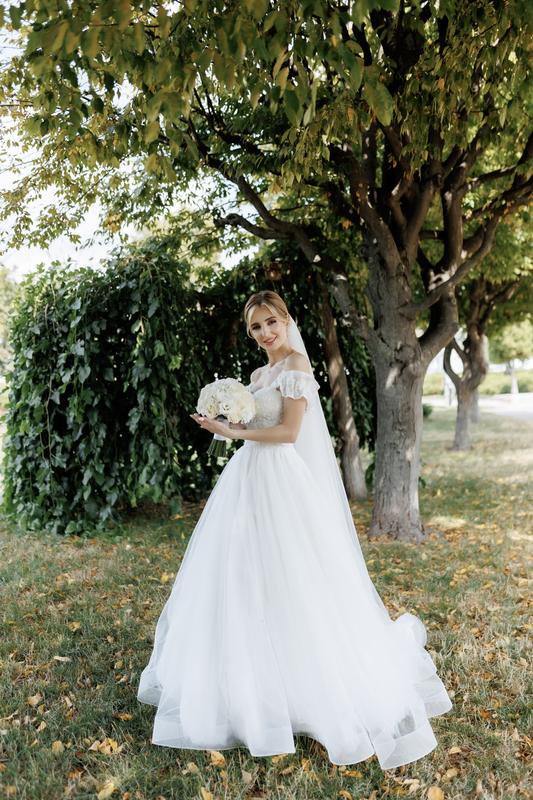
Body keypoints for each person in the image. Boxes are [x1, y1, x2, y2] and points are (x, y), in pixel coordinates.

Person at [137, 290, 452, 769]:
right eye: (256, 327)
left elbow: (288, 433)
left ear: (286, 320)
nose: (265, 332)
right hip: (246, 479)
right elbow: (256, 422)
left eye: (271, 322)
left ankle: (305, 686)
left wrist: (232, 433)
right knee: (243, 575)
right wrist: (227, 422)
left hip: (280, 479)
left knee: (293, 575)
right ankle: (250, 684)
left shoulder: (298, 367)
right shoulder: (257, 376)